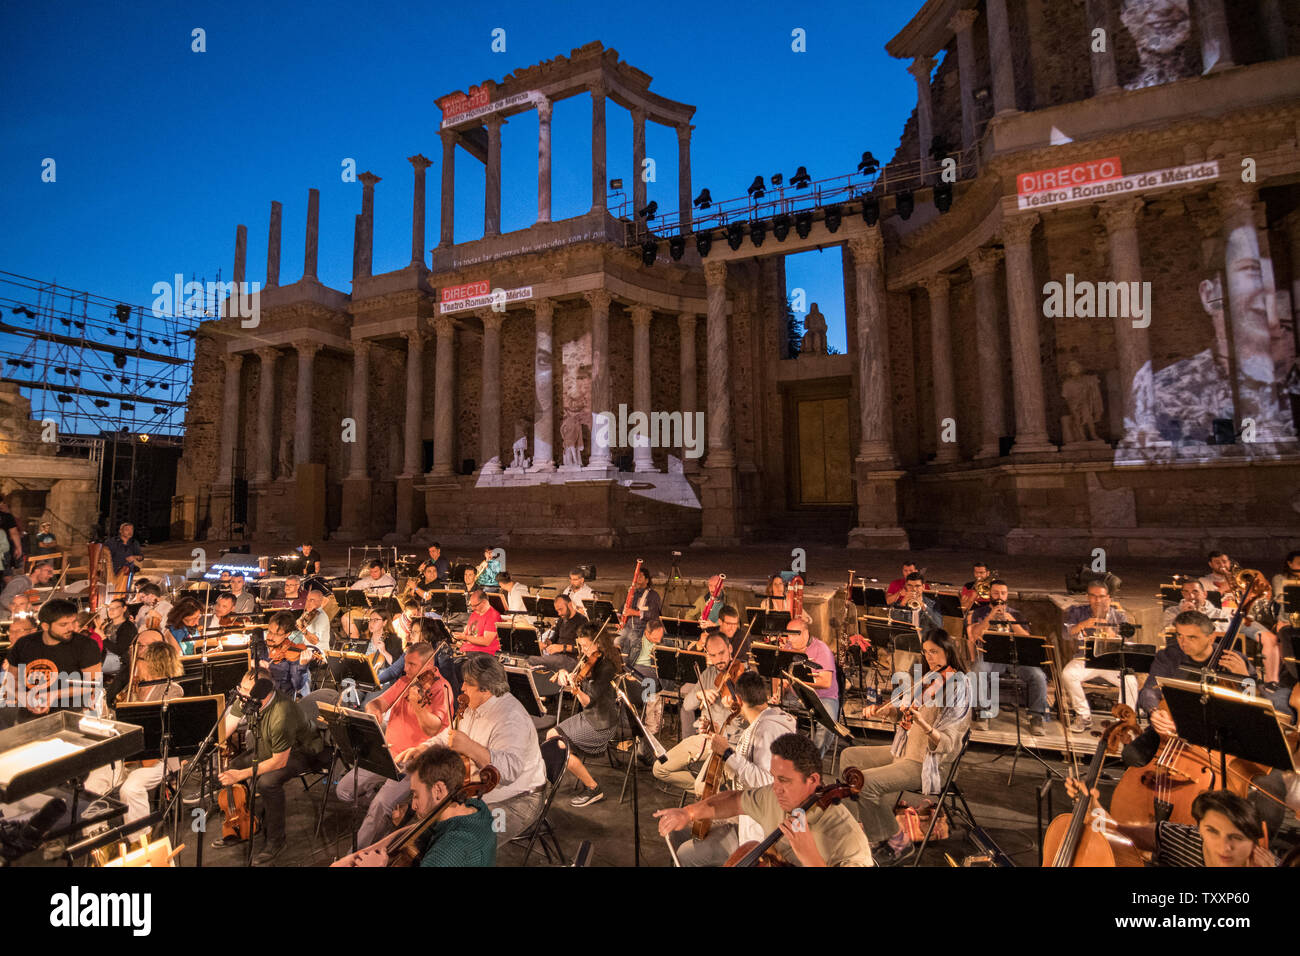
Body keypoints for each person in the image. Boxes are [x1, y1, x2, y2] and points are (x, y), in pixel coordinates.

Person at [840, 629, 971, 865]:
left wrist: (925, 725)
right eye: (926, 652)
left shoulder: (958, 687)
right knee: (850, 757)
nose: (930, 657)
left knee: (865, 782)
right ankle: (870, 826)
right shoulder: (929, 679)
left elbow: (949, 744)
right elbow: (907, 722)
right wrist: (889, 712)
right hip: (905, 751)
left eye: (935, 652)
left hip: (928, 763)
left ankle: (895, 841)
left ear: (948, 651)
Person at [655, 732, 873, 867]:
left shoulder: (848, 838)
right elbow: (735, 800)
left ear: (813, 780)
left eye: (785, 780)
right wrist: (689, 813)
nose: (775, 788)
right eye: (774, 777)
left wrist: (810, 858)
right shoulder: (774, 796)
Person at [398, 654, 547, 844]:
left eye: (468, 683)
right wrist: (425, 747)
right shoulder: (473, 705)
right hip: (479, 790)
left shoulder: (511, 718)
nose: (462, 688)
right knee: (429, 825)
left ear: (486, 689)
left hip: (516, 801)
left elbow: (509, 771)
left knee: (466, 840)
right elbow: (451, 735)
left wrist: (470, 747)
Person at [665, 670, 797, 866]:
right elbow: (749, 760)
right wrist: (719, 741)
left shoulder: (768, 730)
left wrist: (728, 754)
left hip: (757, 831)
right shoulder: (762, 723)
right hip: (743, 812)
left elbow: (766, 783)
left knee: (686, 853)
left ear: (740, 699)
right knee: (675, 832)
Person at [343, 643, 452, 849]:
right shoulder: (404, 681)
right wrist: (373, 708)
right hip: (387, 752)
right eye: (406, 664)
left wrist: (419, 707)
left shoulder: (441, 689)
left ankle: (353, 857)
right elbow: (378, 703)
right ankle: (388, 815)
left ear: (429, 664)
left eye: (412, 665)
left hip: (413, 761)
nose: (406, 669)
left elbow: (433, 729)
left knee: (380, 805)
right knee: (344, 790)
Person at [212, 667, 326, 863]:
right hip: (270, 745)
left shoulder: (282, 712)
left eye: (245, 690)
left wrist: (240, 776)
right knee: (233, 766)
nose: (241, 692)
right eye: (241, 687)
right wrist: (212, 745)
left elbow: (279, 761)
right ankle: (246, 824)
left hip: (302, 752)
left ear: (262, 693)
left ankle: (276, 840)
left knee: (267, 782)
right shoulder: (248, 700)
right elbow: (227, 727)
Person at [1064, 781, 1275, 867]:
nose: (1223, 845)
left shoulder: (1267, 863)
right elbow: (1117, 831)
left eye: (1236, 837)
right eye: (1212, 831)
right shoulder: (1177, 837)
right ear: (1199, 827)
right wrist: (1093, 807)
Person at [85, 642, 184, 824]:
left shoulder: (172, 690)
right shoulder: (131, 688)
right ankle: (98, 839)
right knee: (92, 784)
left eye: (139, 659)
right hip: (127, 755)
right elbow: (118, 721)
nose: (135, 663)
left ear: (153, 663)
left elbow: (157, 726)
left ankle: (140, 840)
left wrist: (136, 702)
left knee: (131, 788)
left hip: (157, 758)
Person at [654, 632, 743, 791]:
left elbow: (750, 721)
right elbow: (687, 706)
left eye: (722, 653)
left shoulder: (745, 677)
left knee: (702, 786)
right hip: (704, 739)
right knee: (659, 768)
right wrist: (699, 694)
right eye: (713, 655)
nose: (719, 660)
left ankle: (705, 791)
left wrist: (735, 709)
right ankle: (707, 791)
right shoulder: (708, 673)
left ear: (730, 648)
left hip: (729, 744)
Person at [548, 624, 624, 808]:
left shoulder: (606, 667)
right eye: (580, 645)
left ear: (598, 643)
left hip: (601, 723)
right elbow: (574, 673)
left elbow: (587, 701)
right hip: (589, 717)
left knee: (560, 745)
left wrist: (575, 689)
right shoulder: (589, 660)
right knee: (551, 736)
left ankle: (593, 788)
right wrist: (564, 674)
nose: (582, 650)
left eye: (585, 646)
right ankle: (550, 780)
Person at [965, 580, 1049, 735]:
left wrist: (1011, 620)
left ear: (1007, 595)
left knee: (1038, 675)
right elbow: (975, 635)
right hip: (990, 656)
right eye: (996, 593)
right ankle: (983, 713)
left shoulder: (1016, 614)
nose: (999, 596)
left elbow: (1027, 638)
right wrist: (990, 616)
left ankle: (1036, 716)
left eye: (1003, 593)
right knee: (977, 670)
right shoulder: (980, 613)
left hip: (1015, 657)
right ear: (990, 594)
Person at [2, 598, 102, 722]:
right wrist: (24, 697)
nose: (71, 628)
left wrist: (53, 695)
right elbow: (11, 681)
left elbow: (93, 685)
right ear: (45, 626)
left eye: (73, 622)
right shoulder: (24, 644)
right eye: (63, 624)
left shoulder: (86, 645)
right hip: (29, 716)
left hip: (72, 715)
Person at [1061, 579, 1138, 730]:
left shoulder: (1119, 616)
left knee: (1130, 681)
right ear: (1088, 597)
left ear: (1108, 598)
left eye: (1101, 596)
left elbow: (1128, 641)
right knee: (1067, 674)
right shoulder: (1077, 612)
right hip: (1085, 659)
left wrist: (1111, 633)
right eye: (1093, 596)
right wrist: (1084, 624)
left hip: (1111, 661)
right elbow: (1066, 634)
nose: (1097, 600)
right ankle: (1083, 716)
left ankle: (1124, 720)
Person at [405, 745, 497, 867]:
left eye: (416, 795)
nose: (413, 805)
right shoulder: (476, 806)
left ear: (438, 790)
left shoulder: (450, 851)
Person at [780, 618, 841, 755]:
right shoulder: (787, 648)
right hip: (796, 695)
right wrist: (780, 690)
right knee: (772, 713)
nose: (790, 639)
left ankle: (812, 760)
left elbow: (826, 682)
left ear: (806, 633)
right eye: (789, 634)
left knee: (828, 726)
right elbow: (778, 674)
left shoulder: (821, 649)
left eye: (795, 634)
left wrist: (797, 682)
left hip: (823, 698)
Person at [255, 611, 311, 699]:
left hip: (280, 698)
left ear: (287, 634)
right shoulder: (260, 645)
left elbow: (297, 686)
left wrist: (302, 666)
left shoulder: (294, 655)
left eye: (277, 634)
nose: (271, 637)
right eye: (270, 632)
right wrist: (257, 664)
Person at [617, 564, 660, 662]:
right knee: (616, 641)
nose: (637, 578)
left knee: (634, 641)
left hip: (642, 629)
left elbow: (653, 614)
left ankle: (631, 669)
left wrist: (634, 613)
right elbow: (622, 609)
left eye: (640, 576)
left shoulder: (653, 595)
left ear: (647, 580)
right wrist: (618, 618)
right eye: (636, 576)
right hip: (628, 627)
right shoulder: (632, 593)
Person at [1162, 578, 1231, 634]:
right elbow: (1165, 635)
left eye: (1195, 592)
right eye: (1186, 592)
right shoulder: (1171, 611)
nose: (1191, 596)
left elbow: (1224, 637)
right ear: (1182, 594)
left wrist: (1196, 617)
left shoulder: (1220, 614)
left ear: (1204, 594)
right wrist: (1183, 616)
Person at [103, 522, 143, 596]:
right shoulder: (112, 542)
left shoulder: (134, 543)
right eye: (127, 530)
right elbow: (105, 555)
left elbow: (140, 557)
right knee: (112, 592)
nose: (130, 532)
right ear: (120, 531)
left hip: (128, 570)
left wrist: (134, 557)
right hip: (113, 571)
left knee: (125, 591)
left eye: (132, 530)